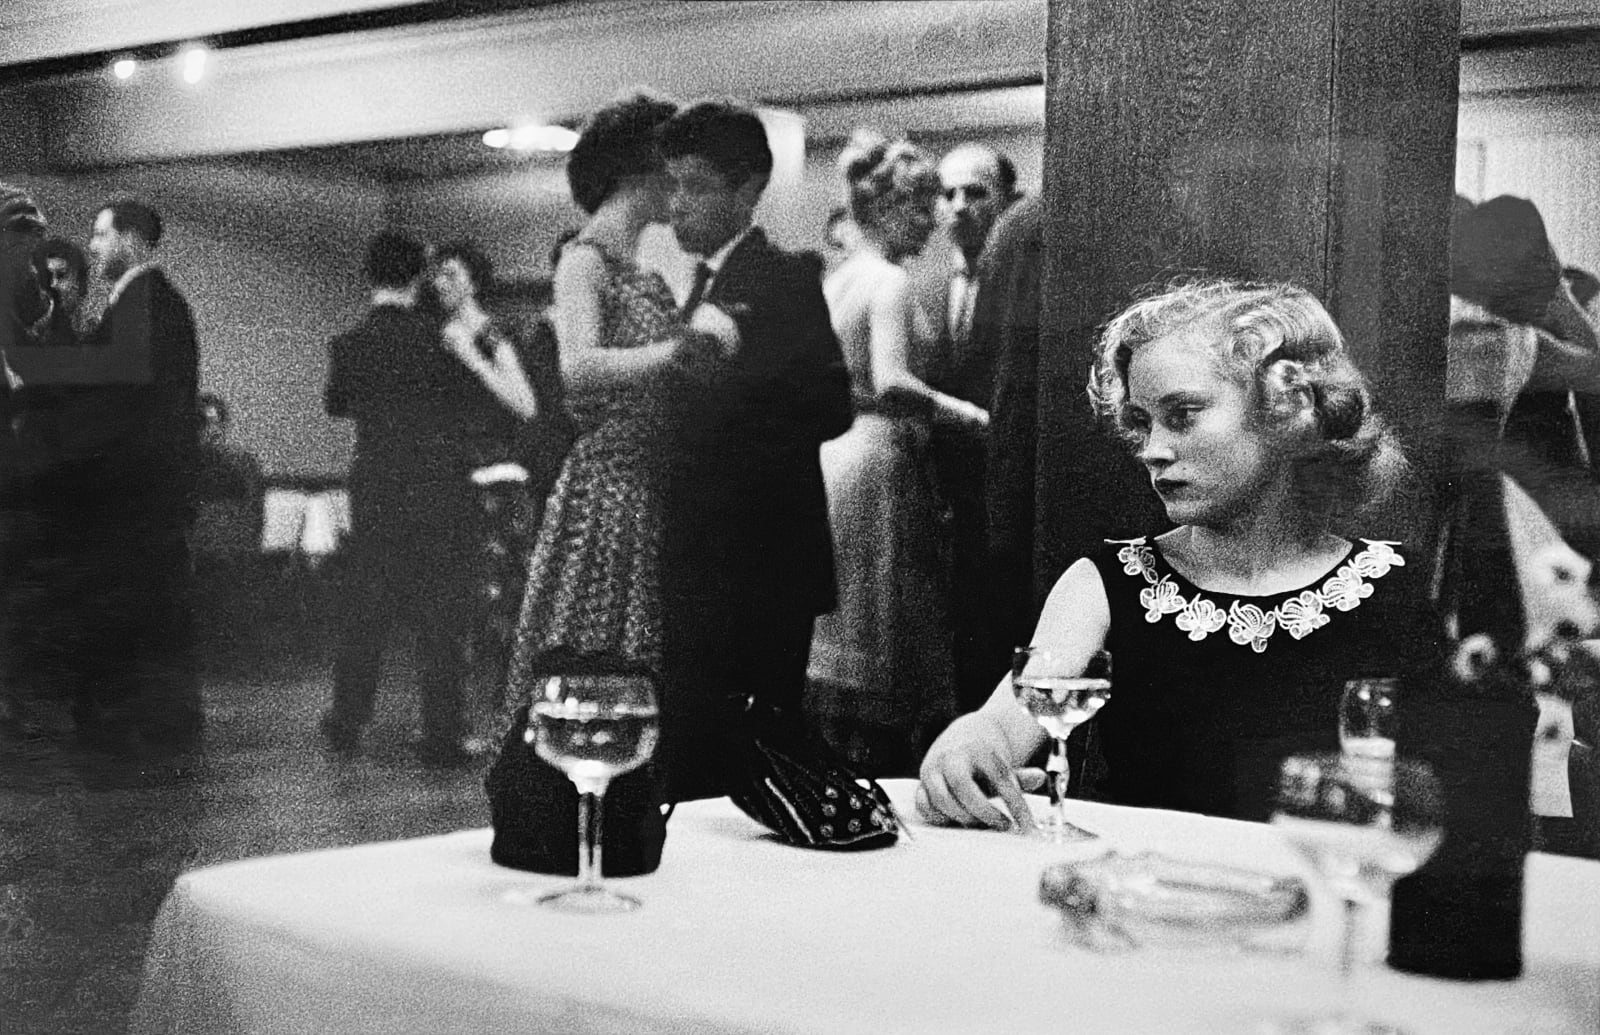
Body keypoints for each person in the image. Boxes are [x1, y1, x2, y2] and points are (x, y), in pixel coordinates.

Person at [918, 279, 1426, 828]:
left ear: (1287, 410)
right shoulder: (1106, 582)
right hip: (1143, 896)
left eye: (1182, 414)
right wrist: (968, 745)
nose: (1152, 451)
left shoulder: (1401, 588)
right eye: (1141, 423)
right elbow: (1004, 723)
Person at [653, 99, 854, 800]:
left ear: (748, 190)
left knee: (746, 754)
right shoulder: (698, 285)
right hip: (704, 556)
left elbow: (833, 405)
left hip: (760, 557)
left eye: (697, 186)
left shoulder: (784, 277)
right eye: (671, 184)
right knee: (694, 743)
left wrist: (726, 385)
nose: (677, 204)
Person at [504, 94, 717, 704]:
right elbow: (577, 367)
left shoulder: (640, 267)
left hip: (648, 478)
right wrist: (675, 355)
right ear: (639, 167)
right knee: (598, 644)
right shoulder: (583, 260)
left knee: (636, 644)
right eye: (669, 165)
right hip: (609, 483)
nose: (677, 184)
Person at [806, 132, 988, 775]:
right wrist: (967, 415)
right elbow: (892, 381)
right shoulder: (887, 281)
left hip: (836, 455)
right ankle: (872, 775)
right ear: (886, 210)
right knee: (880, 631)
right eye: (919, 209)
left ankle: (837, 768)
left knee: (849, 625)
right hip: (879, 460)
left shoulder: (839, 279)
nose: (931, 225)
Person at [322, 230, 504, 766]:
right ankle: (442, 731)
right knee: (439, 614)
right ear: (418, 274)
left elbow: (338, 404)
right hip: (437, 485)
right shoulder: (439, 337)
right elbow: (472, 402)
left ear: (369, 275)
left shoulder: (351, 342)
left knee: (366, 608)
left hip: (377, 483)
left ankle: (347, 719)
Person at [930, 144, 1022, 714]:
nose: (960, 207)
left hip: (1002, 490)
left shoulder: (1021, 277)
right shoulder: (928, 284)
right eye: (949, 194)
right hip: (947, 491)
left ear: (1007, 200)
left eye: (976, 192)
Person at [34, 237, 88, 347]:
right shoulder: (43, 327)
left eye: (61, 275)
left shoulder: (91, 326)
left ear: (79, 281)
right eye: (49, 275)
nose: (53, 284)